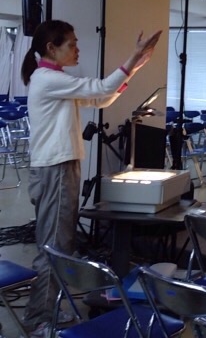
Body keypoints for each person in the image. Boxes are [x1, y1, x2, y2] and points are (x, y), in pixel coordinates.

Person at [20, 20, 162, 337]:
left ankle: (47, 310)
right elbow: (99, 89)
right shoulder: (48, 79)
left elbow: (100, 99)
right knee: (55, 246)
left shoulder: (56, 79)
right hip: (56, 168)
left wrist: (134, 67)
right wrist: (132, 59)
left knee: (61, 243)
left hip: (61, 166)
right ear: (51, 48)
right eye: (71, 44)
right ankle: (39, 319)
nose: (77, 48)